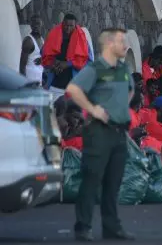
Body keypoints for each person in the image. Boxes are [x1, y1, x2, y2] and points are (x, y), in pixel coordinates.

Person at [65, 28, 135, 241]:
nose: (125, 46)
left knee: (114, 182)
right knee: (92, 180)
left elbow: (130, 90)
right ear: (109, 44)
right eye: (121, 41)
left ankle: (111, 226)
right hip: (99, 132)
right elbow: (74, 89)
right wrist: (94, 109)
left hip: (119, 132)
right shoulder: (95, 69)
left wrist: (119, 108)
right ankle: (83, 226)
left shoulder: (124, 69)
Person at [42, 14, 91, 91]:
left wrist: (67, 64)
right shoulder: (53, 35)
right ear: (62, 23)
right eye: (66, 25)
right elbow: (45, 54)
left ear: (75, 25)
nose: (68, 28)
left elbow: (88, 61)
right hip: (53, 82)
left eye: (71, 26)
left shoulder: (82, 40)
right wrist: (54, 62)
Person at [20, 16, 44, 84]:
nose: (35, 26)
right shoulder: (28, 41)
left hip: (39, 80)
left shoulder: (42, 39)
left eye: (38, 23)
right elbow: (22, 65)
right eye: (33, 24)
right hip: (29, 81)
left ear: (42, 24)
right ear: (30, 25)